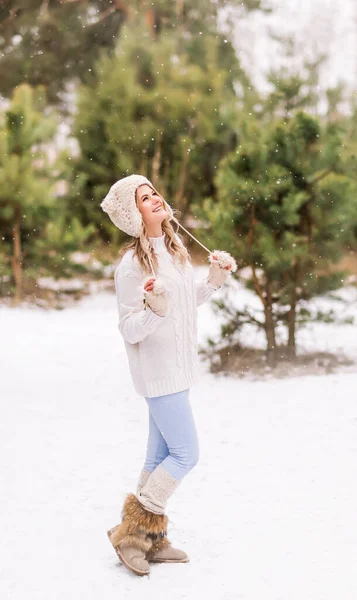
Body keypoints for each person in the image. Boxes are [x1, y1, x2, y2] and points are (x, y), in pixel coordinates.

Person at [100, 174, 236, 577]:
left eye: (154, 191)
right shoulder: (131, 266)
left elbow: (184, 305)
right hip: (157, 373)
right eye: (144, 198)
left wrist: (212, 281)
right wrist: (153, 310)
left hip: (179, 370)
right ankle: (132, 534)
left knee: (158, 455)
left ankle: (151, 540)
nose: (155, 199)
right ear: (132, 213)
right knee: (186, 454)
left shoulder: (174, 251)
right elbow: (129, 328)